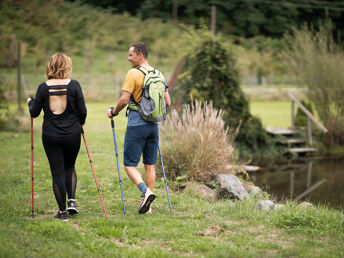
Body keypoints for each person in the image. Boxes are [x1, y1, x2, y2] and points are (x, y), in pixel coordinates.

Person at [107, 42, 171, 214]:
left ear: (140, 55)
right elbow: (168, 102)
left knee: (129, 165)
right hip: (153, 125)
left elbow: (124, 100)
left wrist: (113, 112)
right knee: (150, 164)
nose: (128, 59)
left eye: (130, 55)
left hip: (137, 124)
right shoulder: (159, 74)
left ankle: (145, 191)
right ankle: (147, 207)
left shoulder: (133, 73)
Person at [27, 53, 87, 221]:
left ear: (50, 66)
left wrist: (30, 102)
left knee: (57, 172)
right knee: (70, 166)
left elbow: (34, 112)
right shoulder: (74, 85)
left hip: (51, 135)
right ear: (67, 66)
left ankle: (62, 213)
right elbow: (83, 111)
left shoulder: (43, 88)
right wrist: (80, 124)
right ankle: (72, 201)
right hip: (73, 134)